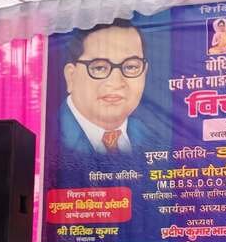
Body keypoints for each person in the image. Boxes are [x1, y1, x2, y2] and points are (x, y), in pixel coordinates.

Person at [58, 19, 157, 154]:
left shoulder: (153, 140)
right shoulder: (47, 136)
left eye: (131, 67)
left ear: (144, 72)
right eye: (99, 68)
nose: (116, 83)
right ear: (71, 77)